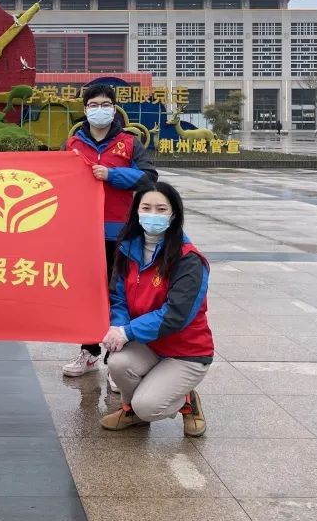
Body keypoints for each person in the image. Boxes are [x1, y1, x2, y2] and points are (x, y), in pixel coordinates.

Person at [98, 181, 212, 437]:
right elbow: (118, 297)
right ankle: (131, 411)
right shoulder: (127, 249)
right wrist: (117, 326)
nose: (153, 215)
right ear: (136, 211)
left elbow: (175, 315)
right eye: (146, 208)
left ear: (174, 214)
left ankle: (186, 400)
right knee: (118, 363)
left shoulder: (188, 259)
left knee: (147, 406)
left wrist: (127, 332)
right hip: (148, 344)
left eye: (161, 209)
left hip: (186, 352)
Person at [62, 84, 157, 384]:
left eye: (105, 104)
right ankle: (89, 352)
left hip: (121, 234)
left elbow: (149, 178)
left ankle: (117, 361)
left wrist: (112, 175)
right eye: (93, 105)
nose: (99, 110)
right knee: (89, 293)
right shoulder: (73, 144)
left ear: (114, 109)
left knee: (120, 294)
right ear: (85, 109)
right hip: (84, 234)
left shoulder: (129, 143)